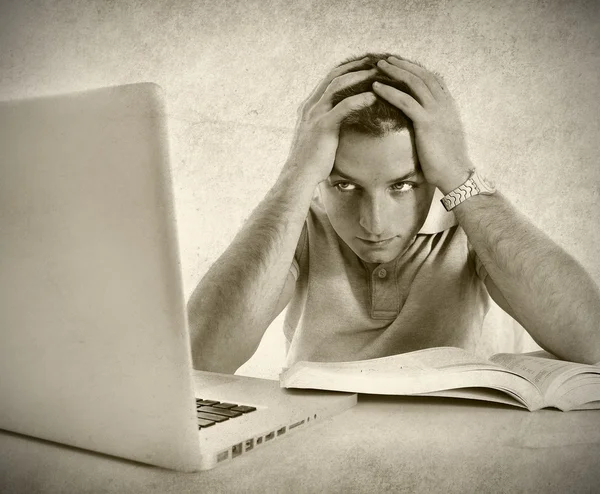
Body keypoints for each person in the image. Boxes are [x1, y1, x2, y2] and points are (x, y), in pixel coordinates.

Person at [187, 52, 600, 373]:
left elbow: (591, 342)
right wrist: (295, 176)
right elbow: (200, 357)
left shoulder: (474, 223)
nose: (374, 224)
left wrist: (459, 174)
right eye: (345, 185)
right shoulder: (299, 221)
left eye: (402, 185)